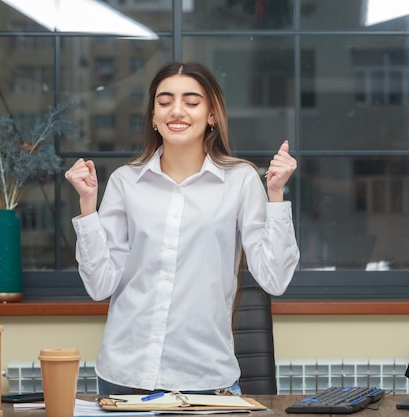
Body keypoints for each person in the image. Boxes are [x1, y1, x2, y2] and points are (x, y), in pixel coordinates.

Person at [64, 61, 300, 396]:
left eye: (191, 102)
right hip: (124, 375)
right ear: (153, 117)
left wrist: (275, 194)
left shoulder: (240, 180)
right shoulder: (125, 182)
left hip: (205, 377)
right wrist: (88, 207)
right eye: (164, 102)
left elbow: (274, 279)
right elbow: (100, 285)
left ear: (212, 115)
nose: (177, 111)